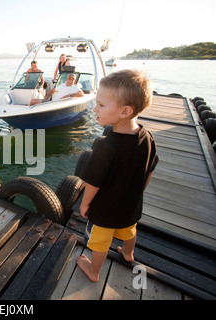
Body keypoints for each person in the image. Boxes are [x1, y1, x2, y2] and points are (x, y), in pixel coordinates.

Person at [76, 69, 159, 282]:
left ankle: (93, 271)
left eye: (101, 105)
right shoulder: (147, 137)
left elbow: (93, 183)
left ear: (124, 111)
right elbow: (149, 170)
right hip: (131, 206)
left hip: (105, 211)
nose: (95, 109)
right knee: (129, 231)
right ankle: (128, 254)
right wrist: (138, 193)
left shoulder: (106, 146)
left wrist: (85, 204)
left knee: (100, 242)